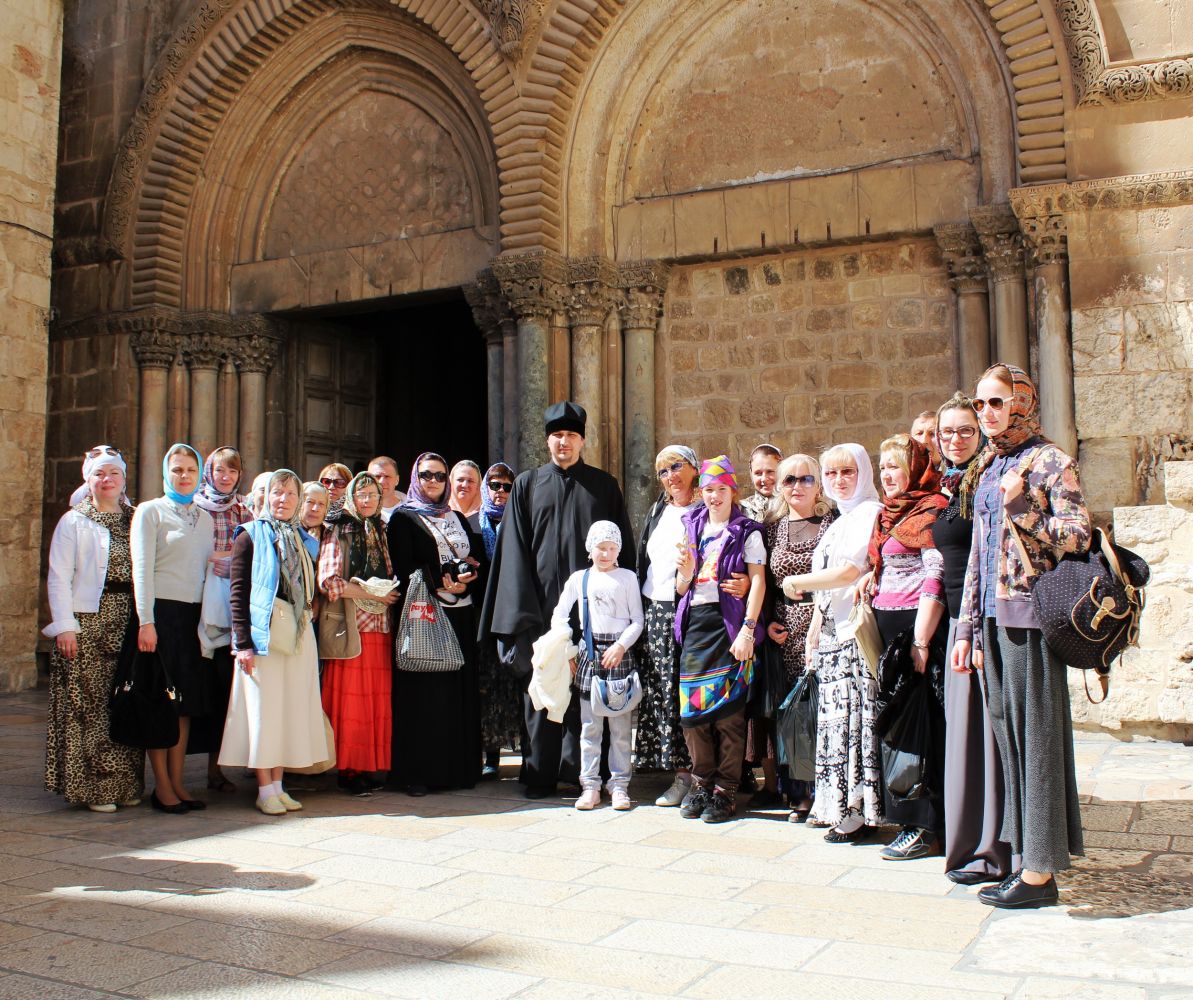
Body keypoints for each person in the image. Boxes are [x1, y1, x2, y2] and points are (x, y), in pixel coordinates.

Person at [954, 364, 1090, 909]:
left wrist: (1022, 506)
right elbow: (978, 559)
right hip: (991, 617)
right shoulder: (991, 465)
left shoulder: (1050, 461)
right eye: (981, 403)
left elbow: (1077, 537)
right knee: (1009, 741)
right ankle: (1023, 858)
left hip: (1032, 618)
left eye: (997, 402)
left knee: (1037, 741)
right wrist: (966, 626)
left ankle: (1040, 874)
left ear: (1023, 402)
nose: (987, 413)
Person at [479, 401, 636, 799]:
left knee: (588, 695)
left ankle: (584, 776)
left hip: (596, 614)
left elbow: (623, 551)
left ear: (583, 440)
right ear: (548, 440)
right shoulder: (528, 485)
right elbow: (512, 552)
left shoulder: (604, 486)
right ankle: (540, 773)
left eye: (571, 435)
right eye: (556, 435)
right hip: (542, 611)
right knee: (543, 691)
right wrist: (522, 615)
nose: (563, 442)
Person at [781, 443, 883, 842]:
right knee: (834, 725)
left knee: (856, 723)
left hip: (854, 634)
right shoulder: (839, 520)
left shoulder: (868, 513)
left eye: (848, 472)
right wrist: (813, 630)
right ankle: (833, 803)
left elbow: (849, 571)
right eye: (832, 473)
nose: (840, 480)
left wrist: (797, 582)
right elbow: (830, 588)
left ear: (863, 473)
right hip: (830, 635)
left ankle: (858, 809)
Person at [930, 392, 1012, 885]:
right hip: (957, 622)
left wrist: (974, 627)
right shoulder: (952, 483)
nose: (955, 439)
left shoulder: (987, 477)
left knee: (990, 741)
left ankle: (996, 850)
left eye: (965, 430)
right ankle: (972, 845)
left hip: (983, 617)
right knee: (968, 739)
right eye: (947, 433)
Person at [220, 469, 330, 815]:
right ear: (265, 496)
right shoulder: (249, 536)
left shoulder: (303, 538)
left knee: (288, 709)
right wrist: (243, 644)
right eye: (277, 493)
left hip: (296, 634)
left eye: (290, 494)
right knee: (264, 710)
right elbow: (238, 593)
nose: (283, 500)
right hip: (263, 636)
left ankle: (279, 784)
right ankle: (264, 786)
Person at [44, 446, 143, 812]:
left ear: (123, 479)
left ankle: (125, 782)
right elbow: (59, 577)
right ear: (89, 479)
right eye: (99, 474)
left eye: (113, 473)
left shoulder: (135, 518)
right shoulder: (74, 520)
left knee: (125, 698)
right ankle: (96, 789)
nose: (107, 480)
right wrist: (65, 627)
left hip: (128, 621)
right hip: (89, 621)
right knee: (91, 704)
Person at [866, 434, 948, 860]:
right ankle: (908, 818)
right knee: (898, 726)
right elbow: (886, 562)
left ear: (915, 469)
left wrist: (920, 639)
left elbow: (934, 576)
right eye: (883, 468)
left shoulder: (931, 510)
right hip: (888, 628)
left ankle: (924, 825)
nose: (888, 475)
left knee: (921, 729)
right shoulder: (889, 514)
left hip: (916, 633)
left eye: (895, 466)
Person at [674, 456, 766, 823]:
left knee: (729, 715)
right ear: (701, 492)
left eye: (721, 489)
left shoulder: (747, 530)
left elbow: (758, 580)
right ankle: (701, 782)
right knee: (692, 714)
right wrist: (685, 574)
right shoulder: (691, 526)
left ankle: (725, 791)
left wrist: (748, 629)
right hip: (697, 624)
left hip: (729, 624)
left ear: (733, 491)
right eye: (708, 490)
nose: (714, 497)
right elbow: (682, 586)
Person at [387, 452, 483, 794]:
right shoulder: (403, 518)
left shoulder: (455, 515)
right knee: (426, 695)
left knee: (457, 691)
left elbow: (476, 554)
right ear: (416, 477)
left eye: (440, 476)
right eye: (426, 475)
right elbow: (403, 566)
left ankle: (459, 770)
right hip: (426, 613)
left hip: (461, 611)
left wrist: (468, 574)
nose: (433, 481)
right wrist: (441, 581)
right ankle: (420, 773)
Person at [130, 443, 215, 813]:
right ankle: (161, 786)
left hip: (192, 619)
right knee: (160, 702)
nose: (184, 476)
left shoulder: (206, 517)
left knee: (184, 705)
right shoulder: (149, 512)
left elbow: (207, 567)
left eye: (191, 470)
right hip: (160, 617)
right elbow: (142, 570)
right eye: (177, 469)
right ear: (166, 471)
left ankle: (179, 782)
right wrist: (146, 621)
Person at [551, 521, 643, 811]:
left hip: (619, 654)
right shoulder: (581, 579)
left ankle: (619, 785)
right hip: (590, 654)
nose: (606, 554)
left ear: (619, 550)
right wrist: (568, 647)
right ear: (590, 549)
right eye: (601, 548)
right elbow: (560, 614)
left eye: (612, 548)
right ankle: (589, 785)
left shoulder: (627, 578)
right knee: (590, 727)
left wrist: (621, 646)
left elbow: (637, 620)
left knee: (620, 728)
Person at [764, 453, 836, 820]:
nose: (797, 486)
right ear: (780, 486)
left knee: (824, 710)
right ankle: (799, 792)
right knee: (793, 714)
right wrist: (767, 623)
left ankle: (827, 790)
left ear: (818, 484)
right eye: (789, 479)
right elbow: (766, 584)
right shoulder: (772, 529)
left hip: (824, 626)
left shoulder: (831, 523)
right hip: (785, 631)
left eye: (806, 479)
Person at [318, 471, 397, 796]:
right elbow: (330, 583)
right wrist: (374, 595)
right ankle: (348, 768)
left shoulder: (383, 529)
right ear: (352, 497)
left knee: (376, 702)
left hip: (381, 628)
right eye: (362, 495)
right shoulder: (340, 530)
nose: (368, 501)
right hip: (352, 627)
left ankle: (370, 765)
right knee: (353, 704)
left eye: (374, 496)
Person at [634, 445, 701, 807]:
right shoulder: (658, 510)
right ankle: (674, 768)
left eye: (676, 466)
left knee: (683, 690)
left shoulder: (704, 510)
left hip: (686, 610)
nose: (670, 476)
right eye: (663, 471)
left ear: (693, 468)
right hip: (654, 609)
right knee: (661, 690)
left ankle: (689, 775)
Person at [191, 445, 253, 793]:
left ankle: (216, 767)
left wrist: (230, 558)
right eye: (219, 470)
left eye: (232, 471)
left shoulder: (244, 508)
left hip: (233, 604)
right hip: (198, 602)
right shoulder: (194, 507)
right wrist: (214, 557)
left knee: (224, 687)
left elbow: (253, 547)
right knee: (198, 685)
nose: (225, 477)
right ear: (209, 473)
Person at [475, 462, 521, 778]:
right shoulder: (472, 526)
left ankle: (522, 752)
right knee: (486, 687)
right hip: (480, 614)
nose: (500, 491)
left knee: (515, 683)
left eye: (507, 486)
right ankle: (491, 756)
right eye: (494, 485)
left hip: (512, 614)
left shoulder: (521, 524)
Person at [740, 443, 781, 521]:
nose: (764, 479)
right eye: (758, 473)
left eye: (770, 471)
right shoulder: (740, 511)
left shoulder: (792, 507)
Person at [368, 455, 407, 523]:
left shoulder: (414, 511)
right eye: (377, 476)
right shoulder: (359, 511)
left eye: (387, 476)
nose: (381, 481)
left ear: (397, 480)